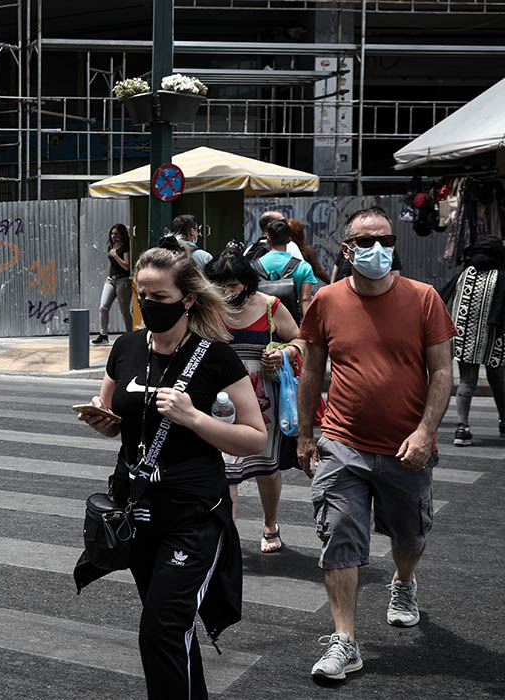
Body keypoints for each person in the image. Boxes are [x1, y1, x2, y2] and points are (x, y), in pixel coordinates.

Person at [75, 246, 266, 700]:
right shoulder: (124, 348)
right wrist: (104, 420)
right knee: (171, 629)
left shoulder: (215, 356)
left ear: (187, 299)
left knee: (161, 627)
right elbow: (117, 418)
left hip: (194, 513)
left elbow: (254, 436)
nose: (148, 303)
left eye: (159, 295)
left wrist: (195, 418)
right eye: (142, 294)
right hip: (138, 512)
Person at [296, 207, 456, 682]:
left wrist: (426, 431)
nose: (378, 249)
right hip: (343, 443)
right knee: (340, 535)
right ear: (347, 249)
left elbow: (443, 371)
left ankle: (403, 582)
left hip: (407, 446)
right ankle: (345, 640)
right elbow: (311, 370)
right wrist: (306, 434)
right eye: (366, 242)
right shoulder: (325, 300)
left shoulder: (424, 299)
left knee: (409, 534)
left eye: (384, 240)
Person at [205, 252, 305, 554]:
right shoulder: (208, 307)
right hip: (221, 399)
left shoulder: (270, 306)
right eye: (219, 286)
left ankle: (270, 524)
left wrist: (285, 353)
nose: (226, 293)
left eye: (232, 285)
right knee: (226, 470)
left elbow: (300, 340)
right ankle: (228, 537)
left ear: (247, 282)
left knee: (266, 467)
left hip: (264, 399)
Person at [446, 236, 505, 446]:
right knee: (498, 380)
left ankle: (462, 428)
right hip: (493, 338)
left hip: (464, 339)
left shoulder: (465, 274)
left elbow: (443, 294)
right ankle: (504, 421)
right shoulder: (500, 276)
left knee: (466, 381)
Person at [257, 219, 318, 317]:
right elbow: (305, 300)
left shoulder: (254, 266)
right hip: (293, 323)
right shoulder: (304, 267)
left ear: (268, 239)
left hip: (263, 324)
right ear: (289, 240)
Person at [94, 223, 132, 345]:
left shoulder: (125, 247)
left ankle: (129, 335)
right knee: (103, 307)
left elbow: (126, 266)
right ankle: (103, 334)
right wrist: (109, 271)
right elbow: (111, 261)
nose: (114, 236)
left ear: (122, 235)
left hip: (123, 280)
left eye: (117, 234)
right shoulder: (111, 246)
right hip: (111, 280)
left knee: (124, 310)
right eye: (112, 233)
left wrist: (115, 256)